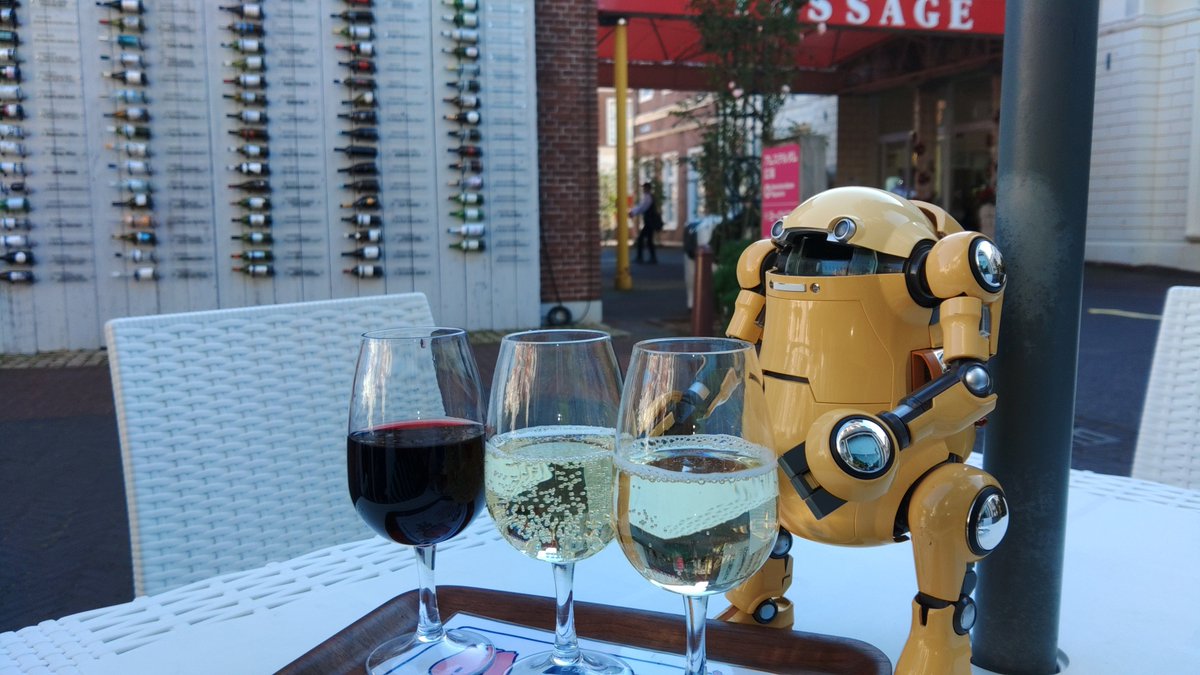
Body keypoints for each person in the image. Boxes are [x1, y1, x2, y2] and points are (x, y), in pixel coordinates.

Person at [628, 182, 663, 264]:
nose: (643, 189)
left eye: (644, 188)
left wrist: (633, 212)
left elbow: (642, 207)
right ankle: (652, 258)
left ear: (647, 188)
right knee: (649, 240)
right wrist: (633, 212)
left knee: (641, 239)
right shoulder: (649, 197)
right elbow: (642, 207)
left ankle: (641, 257)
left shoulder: (648, 197)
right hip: (650, 222)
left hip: (649, 222)